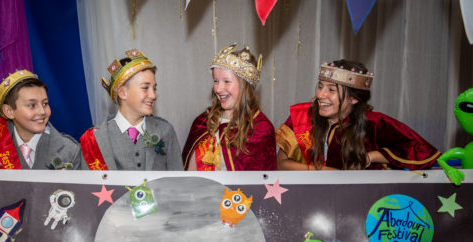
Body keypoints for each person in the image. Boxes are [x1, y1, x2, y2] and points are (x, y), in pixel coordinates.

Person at [276, 60, 440, 170]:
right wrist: (324, 173)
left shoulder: (374, 123)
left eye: (331, 90)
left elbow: (422, 150)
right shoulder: (303, 116)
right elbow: (281, 163)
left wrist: (373, 156)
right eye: (320, 87)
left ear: (354, 98)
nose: (320, 95)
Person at [80, 49, 182, 170]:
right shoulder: (95, 140)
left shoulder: (165, 131)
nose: (153, 95)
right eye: (145, 88)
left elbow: (177, 182)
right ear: (123, 93)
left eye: (154, 88)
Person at [182, 43, 277, 171]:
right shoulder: (203, 122)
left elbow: (261, 182)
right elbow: (189, 173)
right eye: (216, 81)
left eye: (226, 81)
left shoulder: (260, 129)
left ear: (244, 86)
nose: (218, 88)